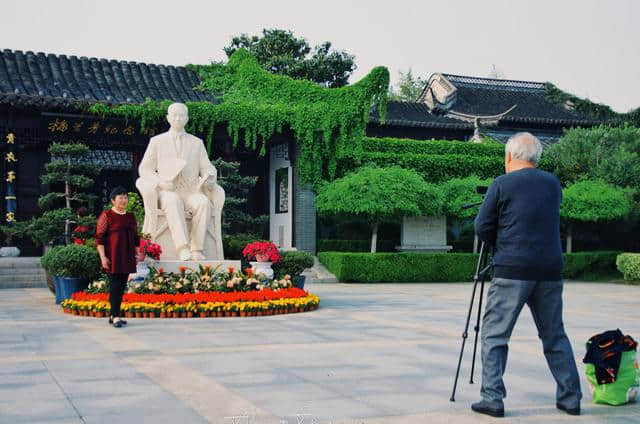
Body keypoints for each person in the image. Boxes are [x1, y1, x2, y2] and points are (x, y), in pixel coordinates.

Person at [472, 132, 582, 417]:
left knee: (495, 335)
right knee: (554, 334)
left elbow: (482, 226)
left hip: (512, 269)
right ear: (536, 158)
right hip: (549, 269)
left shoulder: (502, 184)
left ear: (509, 157)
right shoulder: (553, 184)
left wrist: (502, 245)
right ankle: (571, 397)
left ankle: (492, 398)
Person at [136, 102, 220, 261]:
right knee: (173, 201)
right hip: (168, 190)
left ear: (187, 119)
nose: (178, 118)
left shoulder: (197, 143)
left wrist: (209, 178)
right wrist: (160, 182)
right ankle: (183, 248)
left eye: (181, 115)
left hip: (190, 191)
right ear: (168, 118)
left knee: (203, 202)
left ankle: (197, 249)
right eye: (174, 115)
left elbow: (208, 167)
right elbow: (144, 169)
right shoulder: (157, 141)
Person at [96, 187, 141, 328]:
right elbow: (99, 238)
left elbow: (135, 237)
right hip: (113, 257)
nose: (123, 200)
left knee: (121, 287)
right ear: (113, 200)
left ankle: (113, 315)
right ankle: (115, 316)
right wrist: (103, 257)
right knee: (115, 286)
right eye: (120, 198)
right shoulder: (107, 215)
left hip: (127, 256)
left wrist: (137, 252)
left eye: (125, 197)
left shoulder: (130, 216)